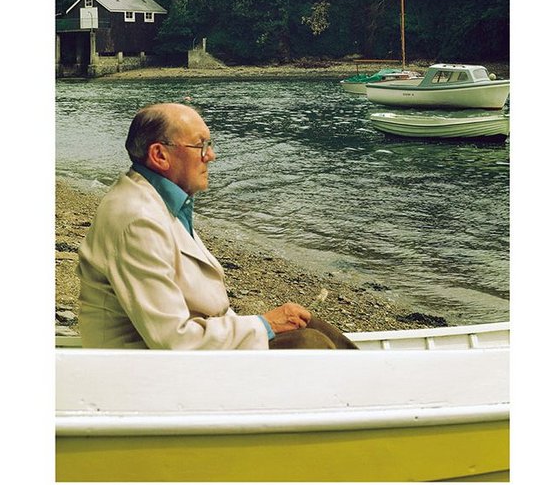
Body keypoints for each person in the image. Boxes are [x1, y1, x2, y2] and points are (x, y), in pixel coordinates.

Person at [77, 102, 358, 350]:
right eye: (201, 145)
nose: (211, 156)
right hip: (144, 369)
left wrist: (263, 324)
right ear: (160, 155)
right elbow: (174, 339)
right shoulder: (137, 219)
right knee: (311, 344)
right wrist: (264, 325)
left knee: (308, 324)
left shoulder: (160, 202)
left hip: (181, 354)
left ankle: (365, 384)